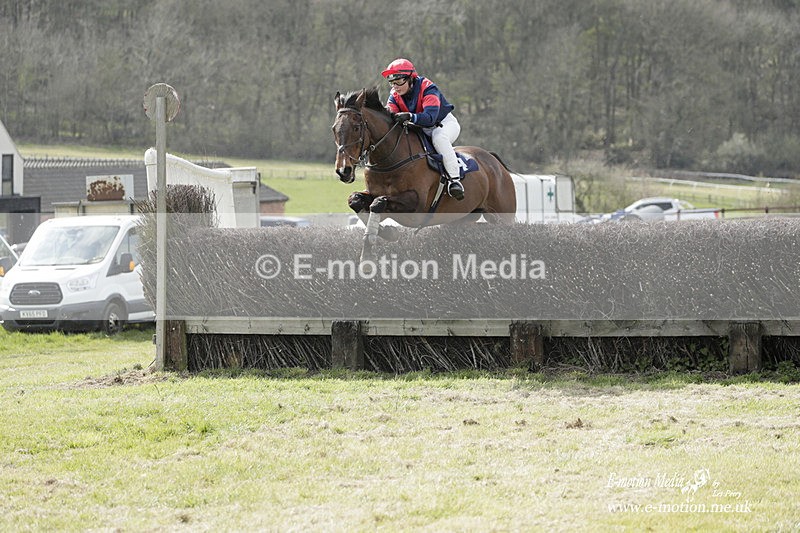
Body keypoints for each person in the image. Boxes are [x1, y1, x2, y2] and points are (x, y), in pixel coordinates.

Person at [381, 58, 464, 200]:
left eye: (399, 81)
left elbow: (430, 118)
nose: (395, 86)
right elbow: (391, 116)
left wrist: (410, 116)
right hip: (420, 128)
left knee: (439, 138)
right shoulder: (394, 95)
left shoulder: (428, 88)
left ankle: (454, 180)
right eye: (392, 82)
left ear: (410, 78)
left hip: (443, 124)